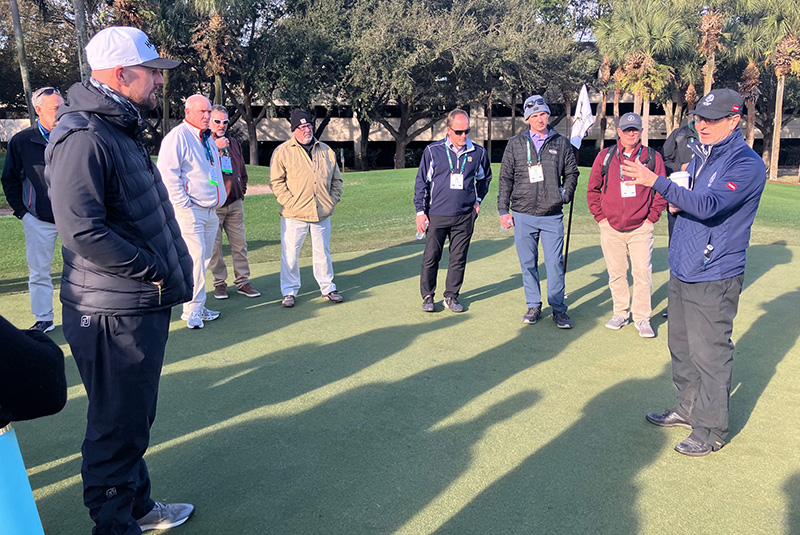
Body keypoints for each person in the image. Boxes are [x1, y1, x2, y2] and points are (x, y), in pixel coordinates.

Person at [45, 26, 195, 533]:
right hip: (111, 310)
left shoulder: (117, 125)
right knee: (116, 426)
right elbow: (81, 229)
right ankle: (115, 524)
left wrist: (173, 268)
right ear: (119, 74)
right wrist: (154, 270)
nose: (158, 80)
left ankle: (137, 506)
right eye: (151, 71)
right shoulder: (84, 135)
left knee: (132, 420)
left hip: (133, 303)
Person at [621, 88, 767, 457]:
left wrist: (657, 183)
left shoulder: (746, 163)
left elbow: (710, 204)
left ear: (734, 121)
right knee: (681, 347)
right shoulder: (700, 156)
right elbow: (691, 203)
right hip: (685, 266)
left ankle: (711, 428)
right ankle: (686, 409)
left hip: (715, 272)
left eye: (712, 119)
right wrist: (675, 204)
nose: (702, 125)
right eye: (699, 118)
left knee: (710, 354)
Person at [498, 94, 579, 328]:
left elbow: (572, 173)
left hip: (552, 214)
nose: (540, 119)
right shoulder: (515, 143)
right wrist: (504, 209)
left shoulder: (560, 141)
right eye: (534, 115)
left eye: (543, 114)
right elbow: (505, 178)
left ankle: (558, 308)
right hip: (523, 213)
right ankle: (533, 304)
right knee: (528, 263)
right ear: (527, 119)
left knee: (554, 263)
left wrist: (565, 195)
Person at [586, 112, 667, 338]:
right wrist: (600, 218)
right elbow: (593, 189)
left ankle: (642, 318)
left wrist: (651, 218)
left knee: (642, 273)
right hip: (610, 226)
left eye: (635, 129)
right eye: (627, 130)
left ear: (641, 132)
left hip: (641, 226)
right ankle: (621, 312)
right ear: (619, 132)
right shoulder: (606, 156)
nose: (631, 133)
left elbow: (661, 189)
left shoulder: (652, 157)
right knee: (616, 273)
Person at [158, 95, 227, 329]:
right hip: (191, 209)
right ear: (188, 112)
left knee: (204, 258)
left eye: (209, 111)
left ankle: (195, 306)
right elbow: (167, 175)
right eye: (202, 112)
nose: (207, 116)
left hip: (210, 209)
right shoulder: (177, 137)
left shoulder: (206, 138)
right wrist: (184, 203)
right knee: (195, 259)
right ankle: (194, 310)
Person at [413, 109, 492, 312]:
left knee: (458, 259)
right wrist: (420, 212)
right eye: (458, 132)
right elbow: (422, 182)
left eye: (467, 131)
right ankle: (428, 296)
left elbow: (484, 179)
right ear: (448, 130)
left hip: (464, 215)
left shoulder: (478, 152)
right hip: (436, 214)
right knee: (431, 257)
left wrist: (478, 200)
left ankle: (451, 296)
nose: (463, 136)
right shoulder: (433, 151)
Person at [1, 87, 64, 333]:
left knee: (83, 272)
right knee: (39, 272)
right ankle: (44, 318)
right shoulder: (22, 141)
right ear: (38, 109)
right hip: (38, 219)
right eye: (56, 108)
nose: (61, 112)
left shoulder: (73, 135)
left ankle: (83, 317)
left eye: (63, 106)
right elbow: (10, 179)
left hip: (73, 218)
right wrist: (22, 213)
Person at [270, 109, 343, 308]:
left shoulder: (326, 150)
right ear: (294, 130)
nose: (306, 130)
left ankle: (327, 288)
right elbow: (277, 182)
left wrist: (332, 200)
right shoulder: (283, 151)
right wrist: (290, 202)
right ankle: (289, 291)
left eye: (309, 125)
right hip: (294, 214)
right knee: (291, 254)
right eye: (301, 127)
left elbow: (337, 180)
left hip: (321, 212)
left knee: (322, 252)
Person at [207, 105, 261, 300]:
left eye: (225, 122)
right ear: (210, 122)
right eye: (217, 121)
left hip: (235, 203)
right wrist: (215, 148)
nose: (221, 125)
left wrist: (241, 190)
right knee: (215, 248)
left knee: (240, 245)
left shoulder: (234, 143)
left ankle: (243, 281)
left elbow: (242, 172)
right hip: (215, 204)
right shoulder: (204, 144)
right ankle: (219, 283)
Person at [660, 120, 699, 318]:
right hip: (678, 203)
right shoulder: (680, 134)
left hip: (703, 204)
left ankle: (694, 305)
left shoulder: (717, 138)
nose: (704, 122)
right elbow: (663, 161)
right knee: (677, 253)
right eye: (700, 116)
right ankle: (675, 304)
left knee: (699, 255)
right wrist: (681, 167)